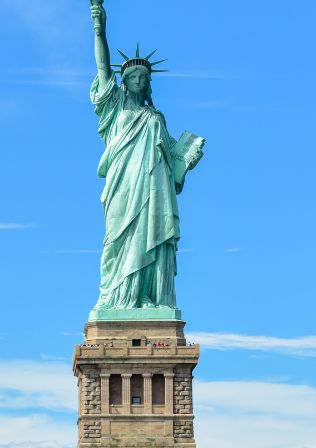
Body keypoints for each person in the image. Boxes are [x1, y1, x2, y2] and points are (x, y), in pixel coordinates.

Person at [88, 0, 204, 313]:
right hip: (123, 190)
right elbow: (102, 67)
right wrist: (100, 29)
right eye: (134, 76)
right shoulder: (115, 111)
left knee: (151, 238)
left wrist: (186, 161)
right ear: (123, 84)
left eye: (144, 77)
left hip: (155, 193)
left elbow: (173, 163)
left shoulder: (157, 119)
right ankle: (119, 298)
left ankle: (150, 299)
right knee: (119, 241)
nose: (140, 80)